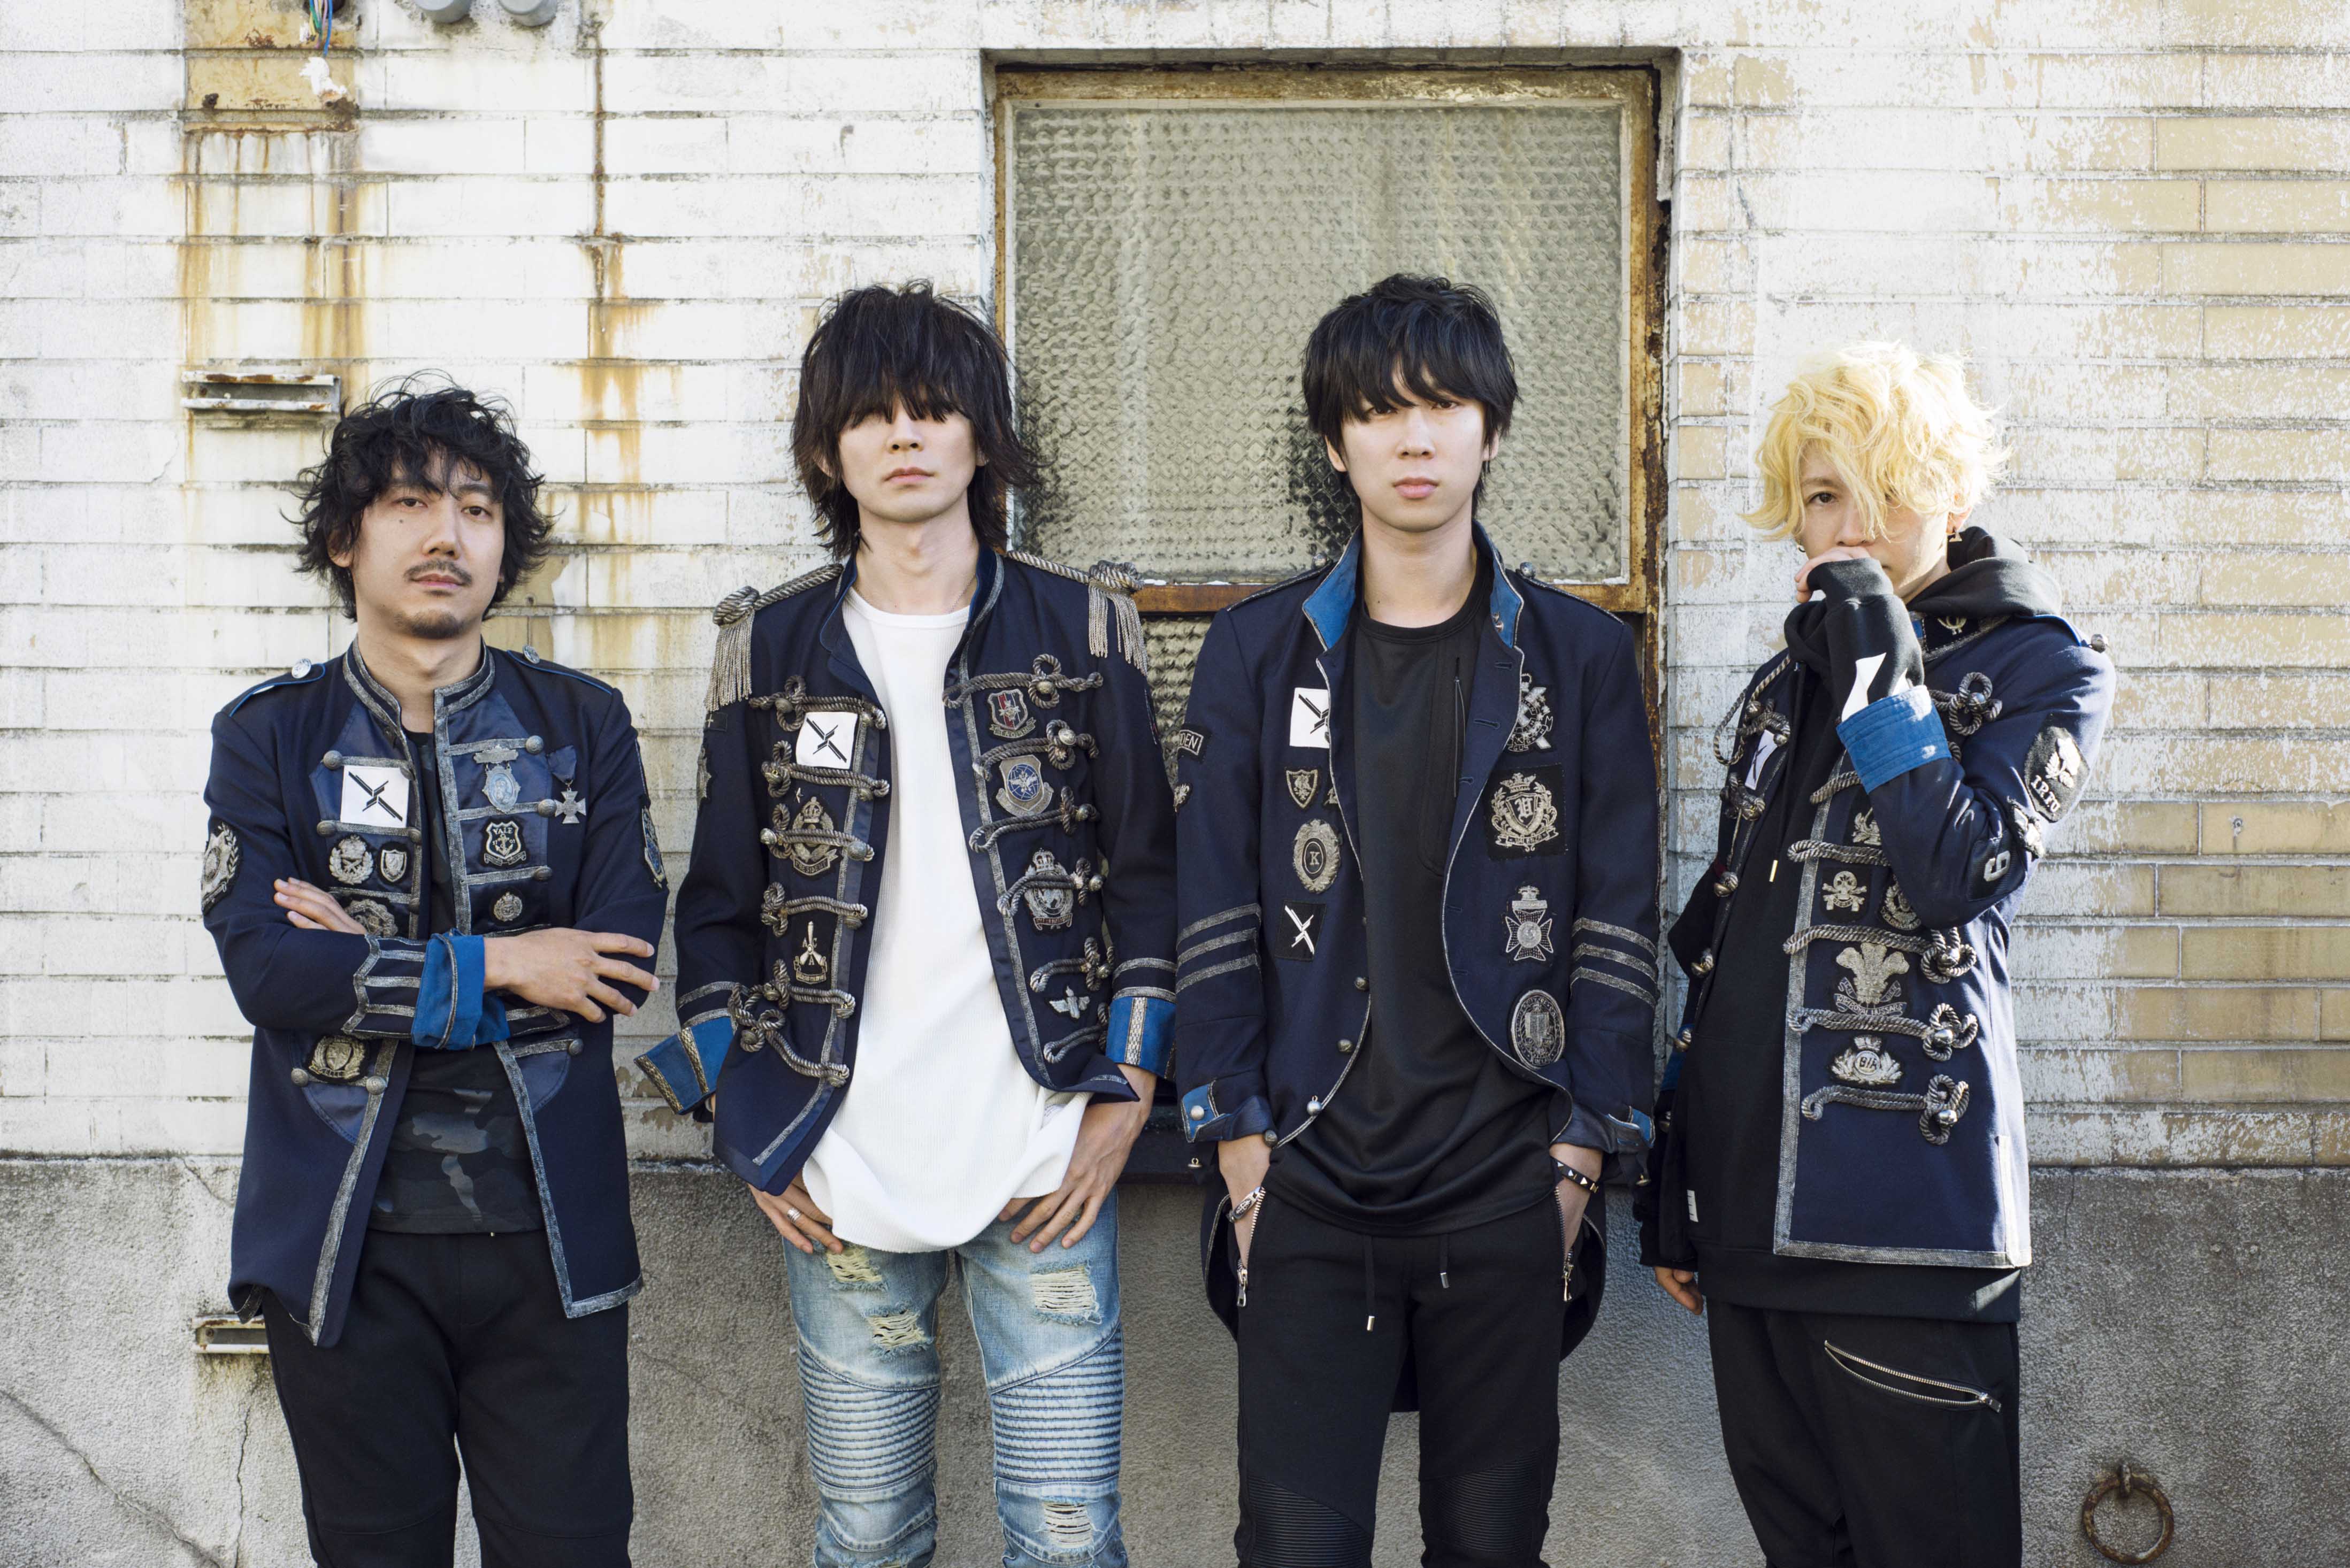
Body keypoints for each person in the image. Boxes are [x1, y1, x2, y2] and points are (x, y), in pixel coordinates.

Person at [638, 281, 1175, 1568]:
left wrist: (1129, 1090)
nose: (904, 434)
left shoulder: (1083, 629)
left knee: (1068, 1538)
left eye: (933, 407)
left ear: (982, 436)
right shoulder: (771, 647)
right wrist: (750, 1125)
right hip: (838, 1153)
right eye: (871, 414)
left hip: (1045, 1141)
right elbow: (717, 911)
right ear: (829, 453)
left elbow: (1152, 877)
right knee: (869, 1537)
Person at [1171, 274, 1660, 1567]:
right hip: (1308, 1178)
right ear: (1335, 444)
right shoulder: (1258, 652)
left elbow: (1617, 917)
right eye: (1380, 411)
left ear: (1490, 431)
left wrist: (1577, 1161)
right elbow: (1211, 908)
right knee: (1293, 1544)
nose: (1415, 438)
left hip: (1507, 1183)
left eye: (1443, 405)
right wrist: (1239, 1151)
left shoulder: (1577, 657)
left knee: (1490, 1545)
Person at [1637, 343, 2115, 1568]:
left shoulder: (2045, 664)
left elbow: (1953, 875)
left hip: (1910, 1229)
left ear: (1950, 494)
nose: (1850, 524)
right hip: (1746, 1220)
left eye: (1885, 486)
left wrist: (1877, 667)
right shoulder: (1782, 683)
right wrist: (1678, 1176)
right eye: (1821, 495)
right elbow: (1727, 934)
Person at [200, 379, 668, 1566]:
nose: (445, 533)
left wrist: (364, 961)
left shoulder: (583, 725)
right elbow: (267, 968)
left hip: (548, 1240)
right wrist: (512, 961)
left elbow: (615, 966)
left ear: (505, 544)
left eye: (476, 507)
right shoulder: (270, 735)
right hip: (343, 1250)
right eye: (409, 502)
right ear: (345, 538)